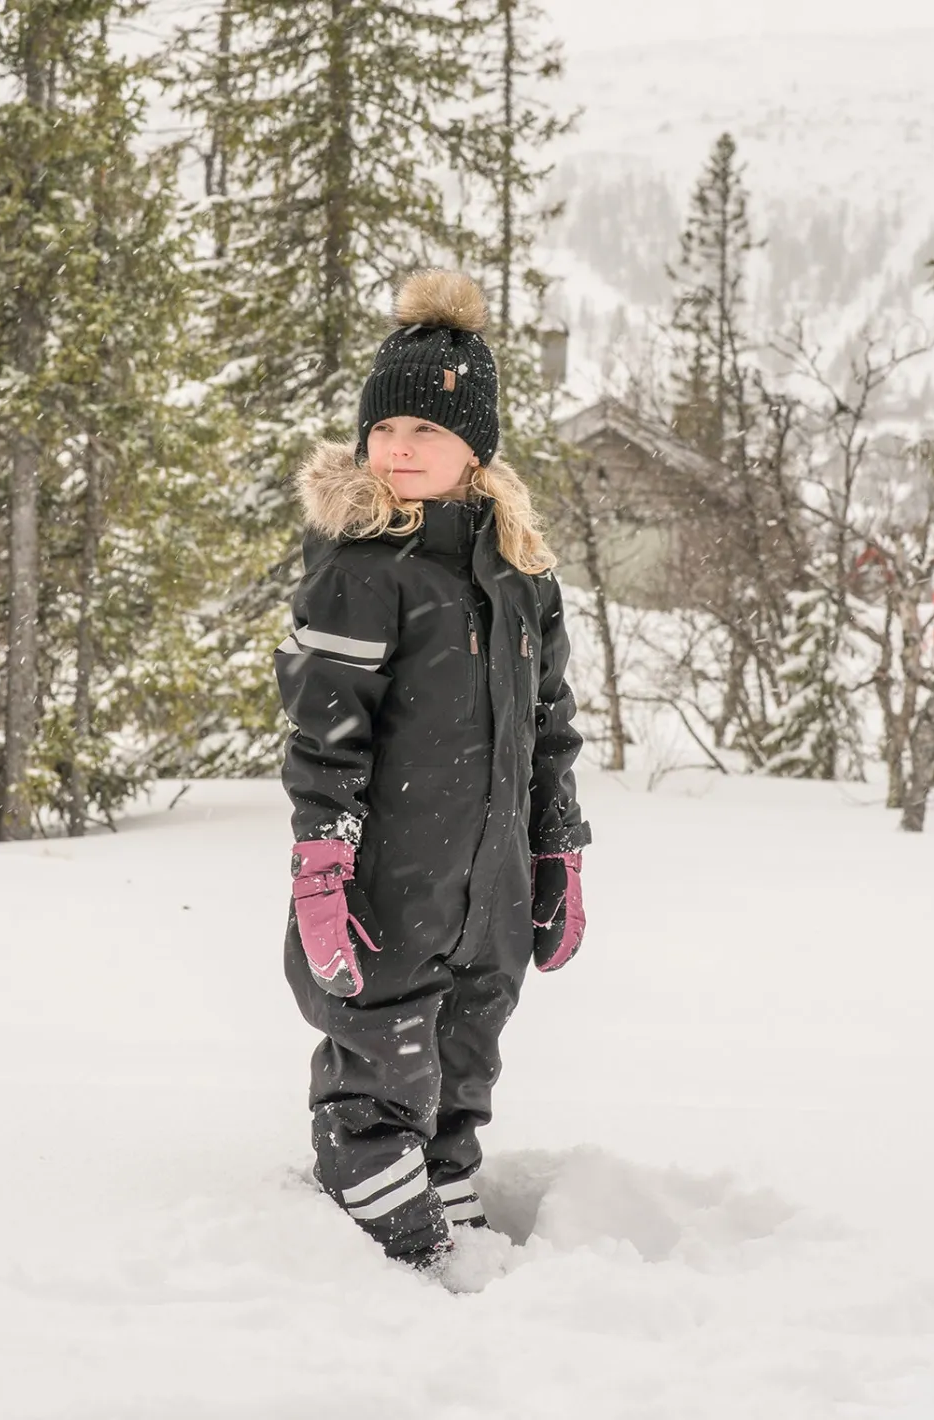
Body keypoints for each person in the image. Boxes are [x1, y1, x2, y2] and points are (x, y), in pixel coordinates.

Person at [274, 269, 590, 1271]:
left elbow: (550, 723)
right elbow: (325, 732)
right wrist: (323, 859)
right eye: (384, 430)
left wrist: (557, 846)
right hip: (393, 872)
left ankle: (448, 1167)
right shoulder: (361, 567)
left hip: (488, 876)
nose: (399, 448)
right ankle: (373, 1177)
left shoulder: (520, 572)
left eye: (426, 431)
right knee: (383, 1031)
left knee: (470, 1033)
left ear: (474, 449)